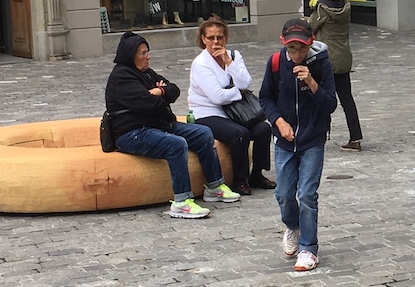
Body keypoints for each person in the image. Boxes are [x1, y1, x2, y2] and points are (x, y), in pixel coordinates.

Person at [105, 31, 240, 219]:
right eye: (143, 53)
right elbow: (147, 104)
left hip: (158, 124)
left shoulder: (146, 73)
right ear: (131, 55)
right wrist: (160, 94)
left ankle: (214, 186)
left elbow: (174, 90)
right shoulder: (121, 78)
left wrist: (159, 91)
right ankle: (181, 202)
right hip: (132, 133)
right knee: (176, 144)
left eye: (148, 52)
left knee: (203, 134)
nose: (148, 57)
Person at [259, 18, 338, 272]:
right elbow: (265, 98)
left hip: (313, 138)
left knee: (306, 194)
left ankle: (308, 248)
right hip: (284, 139)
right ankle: (292, 226)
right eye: (291, 49)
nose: (296, 54)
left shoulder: (322, 64)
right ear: (283, 44)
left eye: (301, 49)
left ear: (311, 43)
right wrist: (278, 121)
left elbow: (330, 105)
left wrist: (312, 83)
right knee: (283, 193)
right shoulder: (275, 63)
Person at [188, 17, 275, 195]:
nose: (215, 42)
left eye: (219, 37)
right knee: (239, 134)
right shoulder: (201, 64)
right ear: (203, 39)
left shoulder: (234, 56)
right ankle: (240, 179)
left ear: (226, 38)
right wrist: (238, 92)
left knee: (263, 129)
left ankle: (257, 174)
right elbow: (217, 97)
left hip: (235, 112)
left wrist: (229, 62)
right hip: (208, 113)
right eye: (211, 38)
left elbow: (246, 81)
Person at [309, 0, 363, 152]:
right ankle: (356, 138)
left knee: (321, 97)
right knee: (347, 98)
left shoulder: (322, 6)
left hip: (326, 58)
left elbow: (311, 26)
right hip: (344, 56)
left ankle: (319, 136)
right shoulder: (345, 3)